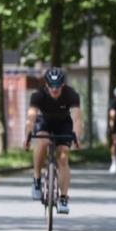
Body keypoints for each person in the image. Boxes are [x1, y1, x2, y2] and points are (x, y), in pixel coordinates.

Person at [24, 67, 83, 213]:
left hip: (64, 123)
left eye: (57, 86)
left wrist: (77, 137)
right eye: (51, 86)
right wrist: (28, 137)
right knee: (43, 142)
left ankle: (63, 198)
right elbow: (31, 118)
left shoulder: (71, 94)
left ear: (62, 85)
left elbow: (77, 118)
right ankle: (37, 179)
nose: (54, 89)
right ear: (46, 85)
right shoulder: (38, 95)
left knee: (63, 157)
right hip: (44, 121)